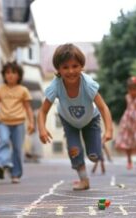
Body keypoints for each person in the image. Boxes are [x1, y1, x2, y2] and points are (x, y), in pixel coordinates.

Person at [38, 43, 113, 190]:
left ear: (82, 66)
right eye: (65, 67)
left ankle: (96, 149)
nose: (71, 71)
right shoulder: (56, 85)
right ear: (58, 69)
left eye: (75, 66)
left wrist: (109, 129)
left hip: (91, 119)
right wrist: (42, 129)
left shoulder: (88, 84)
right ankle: (84, 180)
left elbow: (103, 107)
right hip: (69, 121)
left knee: (94, 155)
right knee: (74, 150)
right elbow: (42, 112)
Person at [0, 61, 35, 184]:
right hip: (3, 122)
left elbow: (28, 108)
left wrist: (31, 123)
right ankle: (2, 163)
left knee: (17, 149)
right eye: (8, 72)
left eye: (14, 73)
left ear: (19, 75)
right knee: (4, 140)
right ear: (4, 75)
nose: (10, 75)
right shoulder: (0, 89)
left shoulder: (23, 90)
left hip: (19, 123)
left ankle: (15, 174)